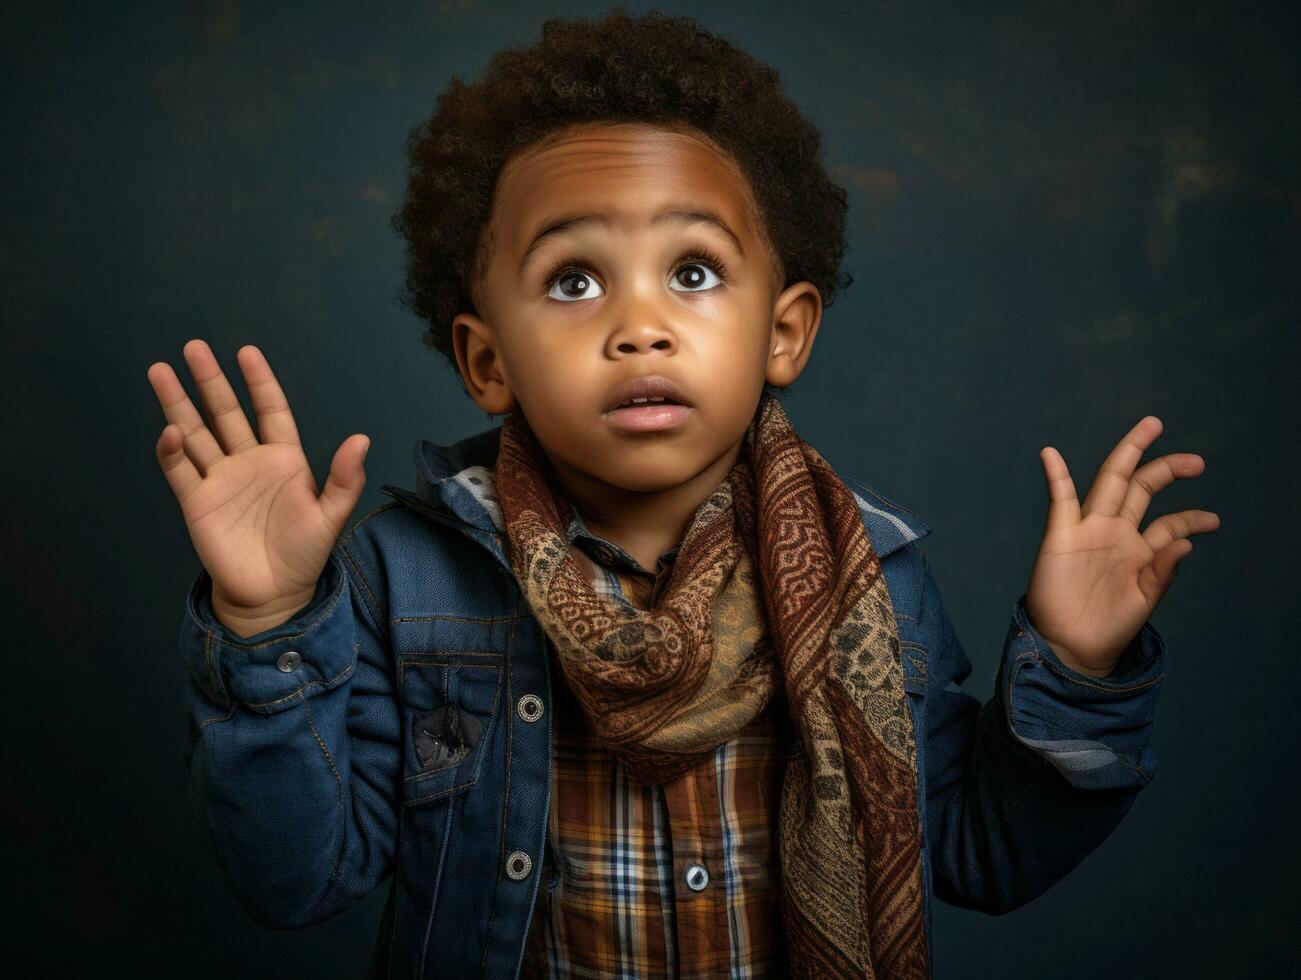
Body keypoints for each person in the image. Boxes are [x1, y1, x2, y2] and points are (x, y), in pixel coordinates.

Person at [146, 9, 1219, 979]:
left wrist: (1076, 669)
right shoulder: (405, 576)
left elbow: (979, 854)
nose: (639, 324)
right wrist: (265, 622)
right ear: (487, 361)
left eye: (693, 271)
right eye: (573, 280)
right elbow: (294, 881)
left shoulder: (872, 582)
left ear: (783, 330)